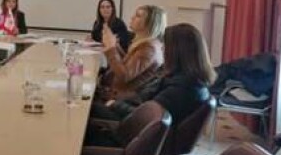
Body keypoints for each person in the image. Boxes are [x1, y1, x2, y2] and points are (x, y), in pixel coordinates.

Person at [86, 23, 215, 144]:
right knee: (89, 108)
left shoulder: (182, 88)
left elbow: (144, 117)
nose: (162, 49)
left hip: (138, 137)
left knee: (87, 116)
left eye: (166, 46)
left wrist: (115, 104)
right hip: (137, 128)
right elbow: (143, 101)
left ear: (177, 52)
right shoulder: (182, 78)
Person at [98, 4, 166, 101]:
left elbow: (124, 76)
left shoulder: (149, 48)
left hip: (119, 99)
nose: (132, 17)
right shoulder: (145, 43)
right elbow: (128, 64)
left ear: (150, 23)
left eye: (138, 16)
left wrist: (111, 49)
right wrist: (116, 47)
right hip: (114, 91)